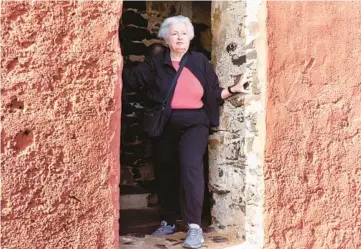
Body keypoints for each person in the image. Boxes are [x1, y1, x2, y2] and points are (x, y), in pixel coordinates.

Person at [122, 15, 251, 249]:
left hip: (195, 122)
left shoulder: (199, 61)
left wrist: (233, 89)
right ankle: (168, 220)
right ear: (166, 38)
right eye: (174, 34)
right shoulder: (157, 62)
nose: (179, 37)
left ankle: (194, 227)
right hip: (165, 123)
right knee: (166, 170)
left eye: (184, 33)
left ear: (190, 37)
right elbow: (132, 80)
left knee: (191, 167)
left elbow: (212, 93)